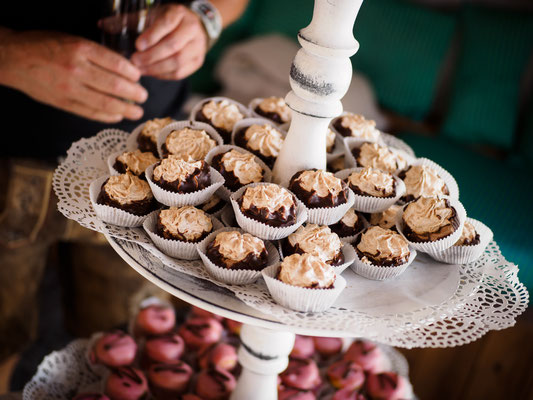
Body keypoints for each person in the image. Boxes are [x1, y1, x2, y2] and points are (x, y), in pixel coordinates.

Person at [0, 0, 249, 370]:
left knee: (133, 352)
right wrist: (10, 55)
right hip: (7, 153)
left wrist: (204, 17)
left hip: (154, 171)